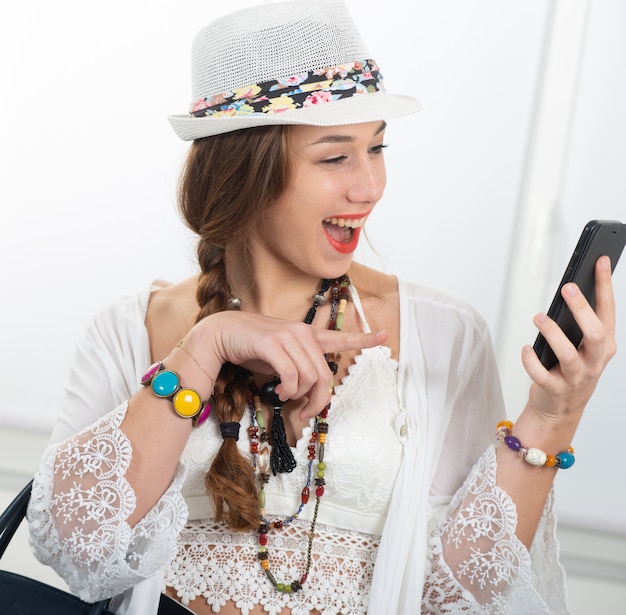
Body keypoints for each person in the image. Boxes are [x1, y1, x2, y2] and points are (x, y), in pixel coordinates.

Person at [27, 1, 617, 614]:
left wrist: (552, 414)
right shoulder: (126, 332)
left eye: (377, 149)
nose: (369, 187)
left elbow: (458, 601)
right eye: (335, 157)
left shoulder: (441, 336)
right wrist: (207, 346)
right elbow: (77, 551)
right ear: (243, 173)